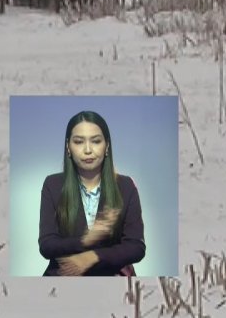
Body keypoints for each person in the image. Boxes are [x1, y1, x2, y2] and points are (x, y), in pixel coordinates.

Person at [38, 110, 146, 276]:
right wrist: (85, 241)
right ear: (68, 147)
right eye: (79, 142)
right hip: (64, 278)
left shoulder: (125, 186)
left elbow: (136, 247)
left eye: (95, 141)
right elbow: (47, 245)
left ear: (107, 146)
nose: (88, 150)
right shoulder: (53, 185)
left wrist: (94, 256)